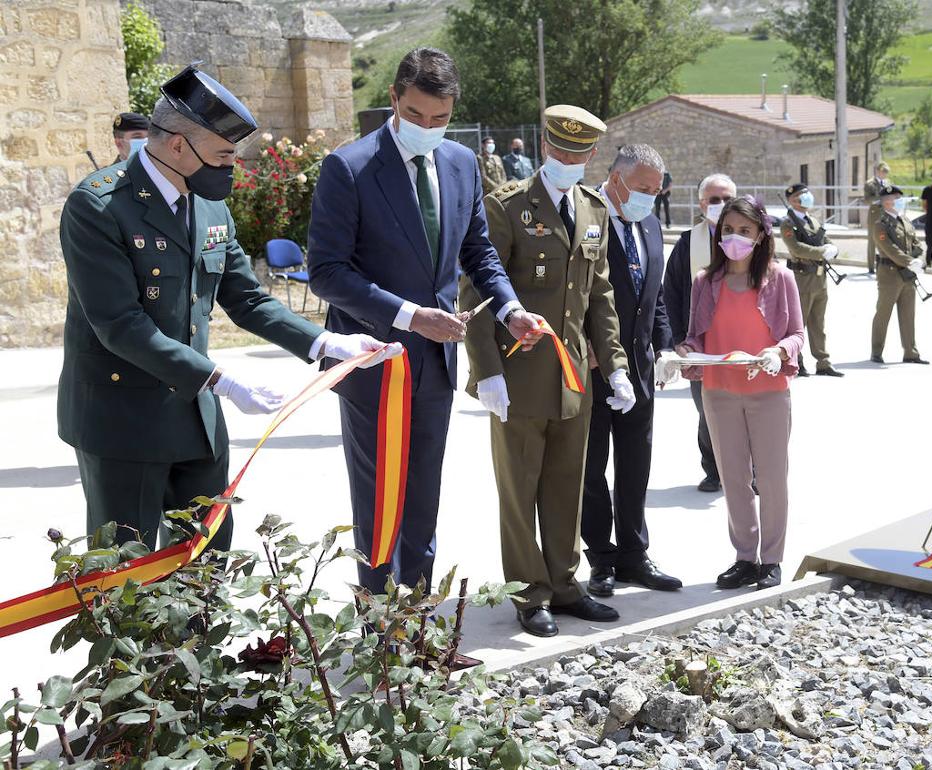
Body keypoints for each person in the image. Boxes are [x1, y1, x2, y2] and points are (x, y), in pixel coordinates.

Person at [57, 65, 398, 552]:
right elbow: (121, 326)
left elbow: (247, 298)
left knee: (207, 560)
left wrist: (325, 343)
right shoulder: (99, 206)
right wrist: (224, 382)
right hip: (122, 421)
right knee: (123, 575)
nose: (230, 167)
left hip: (195, 415)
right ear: (178, 146)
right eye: (222, 155)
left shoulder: (207, 203)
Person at [307, 48, 542, 593]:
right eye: (415, 116)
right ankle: (381, 638)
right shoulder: (350, 167)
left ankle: (416, 628)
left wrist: (509, 309)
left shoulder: (461, 164)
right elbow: (326, 272)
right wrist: (411, 318)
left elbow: (479, 251)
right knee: (379, 495)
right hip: (375, 361)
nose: (427, 128)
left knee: (423, 493)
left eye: (440, 119)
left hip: (435, 364)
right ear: (394, 99)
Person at [461, 104, 633, 638]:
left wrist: (617, 364)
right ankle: (528, 592)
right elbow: (477, 288)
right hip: (516, 377)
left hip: (572, 376)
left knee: (566, 485)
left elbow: (599, 295)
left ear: (591, 156)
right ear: (544, 146)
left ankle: (564, 583)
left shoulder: (594, 210)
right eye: (561, 149)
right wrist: (485, 370)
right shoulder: (508, 205)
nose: (569, 159)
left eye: (579, 153)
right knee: (519, 489)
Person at [674, 196, 804, 591]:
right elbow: (695, 336)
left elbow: (797, 334)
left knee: (771, 478)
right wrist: (683, 352)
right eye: (727, 230)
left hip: (768, 392)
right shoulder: (704, 282)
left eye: (745, 231)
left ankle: (772, 559)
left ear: (762, 235)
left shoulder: (781, 279)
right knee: (733, 479)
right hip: (719, 392)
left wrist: (777, 351)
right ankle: (745, 557)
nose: (734, 238)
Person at [581, 144, 681, 599]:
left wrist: (664, 347)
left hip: (639, 367)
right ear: (616, 178)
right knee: (591, 467)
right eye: (642, 189)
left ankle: (634, 555)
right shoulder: (584, 215)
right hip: (592, 366)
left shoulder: (651, 223)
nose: (648, 198)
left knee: (635, 464)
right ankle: (601, 558)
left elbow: (653, 297)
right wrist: (587, 348)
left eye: (656, 191)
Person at [662, 173, 735, 493]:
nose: (721, 206)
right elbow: (671, 294)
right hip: (702, 345)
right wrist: (678, 341)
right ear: (702, 204)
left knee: (751, 409)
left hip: (744, 343)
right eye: (714, 200)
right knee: (709, 411)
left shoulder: (756, 238)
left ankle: (751, 470)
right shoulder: (689, 242)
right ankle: (714, 470)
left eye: (728, 199)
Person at [779, 182, 843, 378]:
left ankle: (823, 362)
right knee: (800, 323)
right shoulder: (788, 223)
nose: (806, 197)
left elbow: (826, 240)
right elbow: (796, 248)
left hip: (819, 278)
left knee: (818, 323)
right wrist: (821, 252)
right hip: (802, 278)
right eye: (801, 194)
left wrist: (832, 249)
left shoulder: (813, 221)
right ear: (792, 200)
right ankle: (796, 361)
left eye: (806, 193)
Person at [871, 186, 928, 365]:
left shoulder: (904, 220)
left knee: (908, 314)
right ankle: (876, 351)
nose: (898, 200)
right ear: (886, 201)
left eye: (898, 197)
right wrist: (910, 262)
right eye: (895, 197)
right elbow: (889, 249)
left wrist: (920, 259)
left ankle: (911, 352)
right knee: (883, 313)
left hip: (907, 274)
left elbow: (916, 244)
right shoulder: (881, 224)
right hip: (889, 274)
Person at [863, 161, 890, 275]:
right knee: (872, 241)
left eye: (886, 172)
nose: (885, 174)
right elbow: (867, 200)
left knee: (886, 240)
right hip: (875, 214)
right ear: (877, 171)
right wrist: (880, 197)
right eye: (883, 171)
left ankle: (885, 264)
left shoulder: (887, 183)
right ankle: (871, 266)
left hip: (886, 214)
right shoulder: (870, 184)